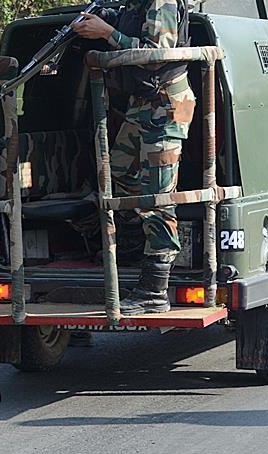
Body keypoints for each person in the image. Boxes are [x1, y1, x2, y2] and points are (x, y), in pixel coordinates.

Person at [73, 0, 194, 315]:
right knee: (118, 175)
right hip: (143, 104)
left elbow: (156, 54)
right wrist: (109, 18)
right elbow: (135, 24)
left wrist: (107, 33)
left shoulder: (163, 1)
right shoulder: (137, 3)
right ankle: (134, 243)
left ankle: (154, 290)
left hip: (166, 105)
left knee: (158, 198)